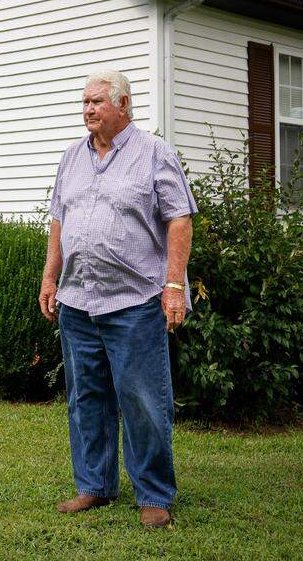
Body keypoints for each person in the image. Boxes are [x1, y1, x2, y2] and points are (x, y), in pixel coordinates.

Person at [38, 68, 197, 529]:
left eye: (96, 102)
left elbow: (180, 220)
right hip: (78, 302)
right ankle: (95, 486)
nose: (87, 110)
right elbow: (58, 222)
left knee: (145, 399)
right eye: (84, 102)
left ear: (123, 106)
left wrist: (174, 286)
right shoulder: (72, 157)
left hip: (135, 301)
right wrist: (51, 280)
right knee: (86, 398)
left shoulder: (153, 154)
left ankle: (153, 493)